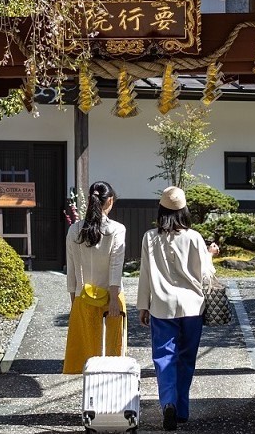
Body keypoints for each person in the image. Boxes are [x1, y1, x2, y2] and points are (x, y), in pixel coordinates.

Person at [136, 185, 216, 431]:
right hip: (192, 306)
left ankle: (168, 403)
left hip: (161, 306)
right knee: (187, 359)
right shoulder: (194, 237)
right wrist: (211, 254)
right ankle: (181, 410)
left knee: (164, 358)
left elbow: (145, 275)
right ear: (184, 211)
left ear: (161, 210)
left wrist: (143, 306)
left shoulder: (150, 237)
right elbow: (206, 276)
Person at [63, 180, 127, 374]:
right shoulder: (116, 229)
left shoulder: (75, 230)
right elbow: (116, 265)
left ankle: (90, 395)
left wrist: (73, 300)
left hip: (84, 296)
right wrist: (114, 298)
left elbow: (72, 269)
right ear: (110, 201)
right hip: (111, 296)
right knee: (113, 352)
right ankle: (111, 393)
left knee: (88, 355)